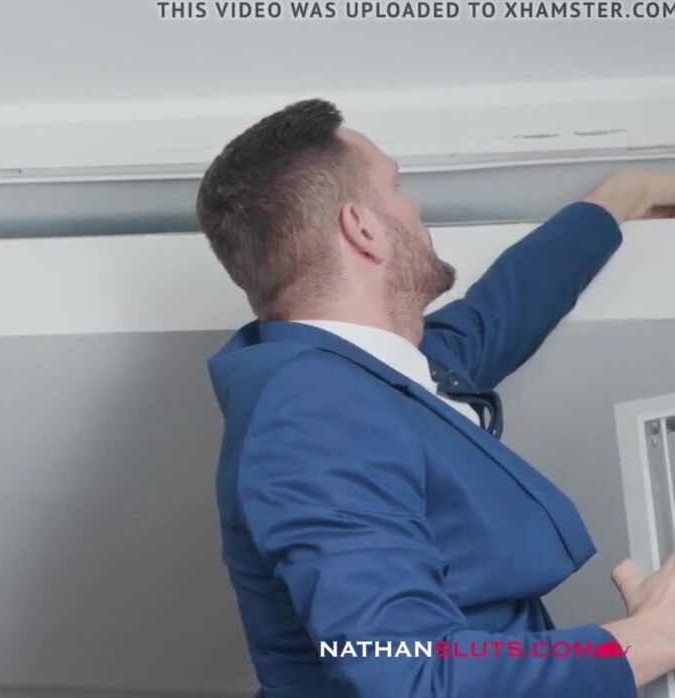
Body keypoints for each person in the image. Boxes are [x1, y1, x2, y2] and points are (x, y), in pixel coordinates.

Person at [198, 98, 675, 697]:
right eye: (396, 187)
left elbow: (503, 310)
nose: (415, 207)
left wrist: (628, 193)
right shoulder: (313, 417)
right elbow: (407, 672)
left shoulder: (366, 371)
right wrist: (651, 636)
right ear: (363, 228)